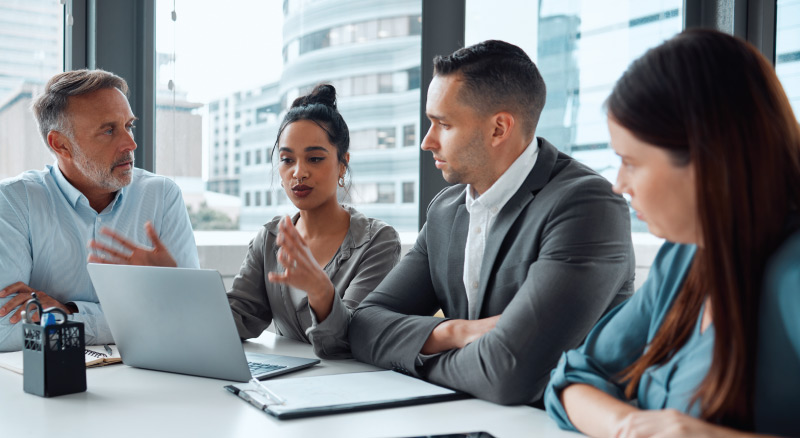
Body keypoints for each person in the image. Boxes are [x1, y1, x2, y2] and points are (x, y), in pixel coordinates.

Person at [348, 40, 635, 405]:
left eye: (443, 124)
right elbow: (363, 325)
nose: (426, 141)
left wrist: (412, 354)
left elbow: (508, 373)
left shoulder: (587, 205)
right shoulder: (445, 211)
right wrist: (456, 332)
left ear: (499, 128)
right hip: (469, 417)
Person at [544, 29, 800, 437]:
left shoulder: (792, 278)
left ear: (708, 161)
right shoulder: (684, 256)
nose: (618, 183)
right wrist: (629, 427)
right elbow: (574, 376)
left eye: (631, 161)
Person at [0, 69, 199, 352]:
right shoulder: (14, 200)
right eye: (108, 130)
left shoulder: (162, 196)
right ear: (61, 144)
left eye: (128, 125)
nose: (130, 144)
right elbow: (4, 329)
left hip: (148, 380)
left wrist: (67, 314)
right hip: (50, 388)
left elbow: (189, 316)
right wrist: (141, 314)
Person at [226, 84, 401, 359]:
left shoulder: (378, 241)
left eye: (315, 158)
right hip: (285, 388)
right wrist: (178, 288)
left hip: (351, 389)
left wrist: (321, 290)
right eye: (286, 160)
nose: (298, 172)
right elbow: (237, 319)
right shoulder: (269, 238)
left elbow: (354, 339)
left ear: (343, 164)